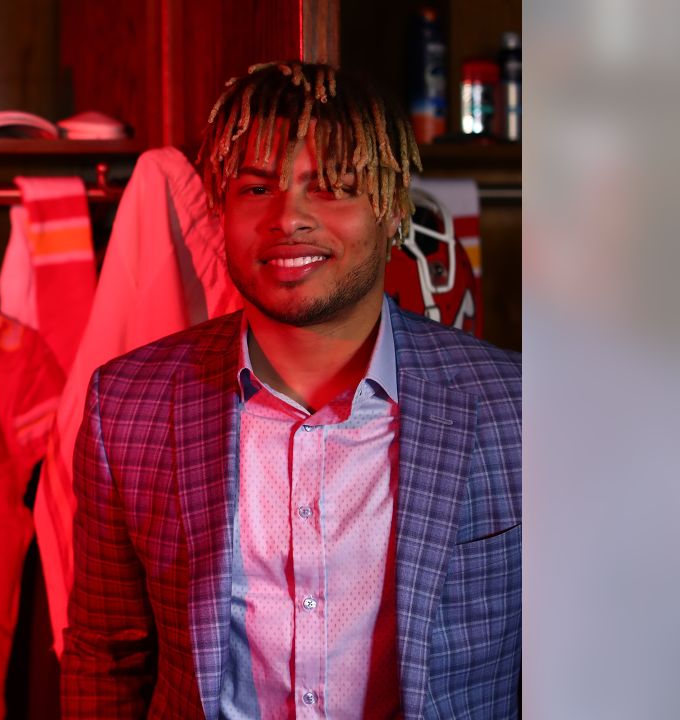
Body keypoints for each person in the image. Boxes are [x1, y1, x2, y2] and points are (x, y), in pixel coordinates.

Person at [60, 62, 521, 719]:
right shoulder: (128, 404)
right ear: (220, 210)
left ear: (393, 209)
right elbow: (105, 657)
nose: (289, 218)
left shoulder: (518, 409)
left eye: (330, 188)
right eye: (255, 189)